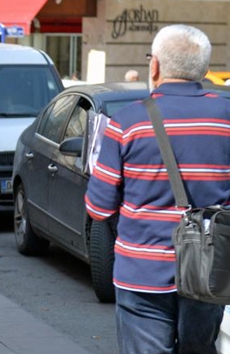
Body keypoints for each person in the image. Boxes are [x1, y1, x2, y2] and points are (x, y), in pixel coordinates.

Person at [85, 24, 230, 354]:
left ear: (155, 66)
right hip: (210, 270)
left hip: (142, 272)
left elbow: (99, 207)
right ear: (205, 70)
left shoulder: (127, 122)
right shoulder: (227, 118)